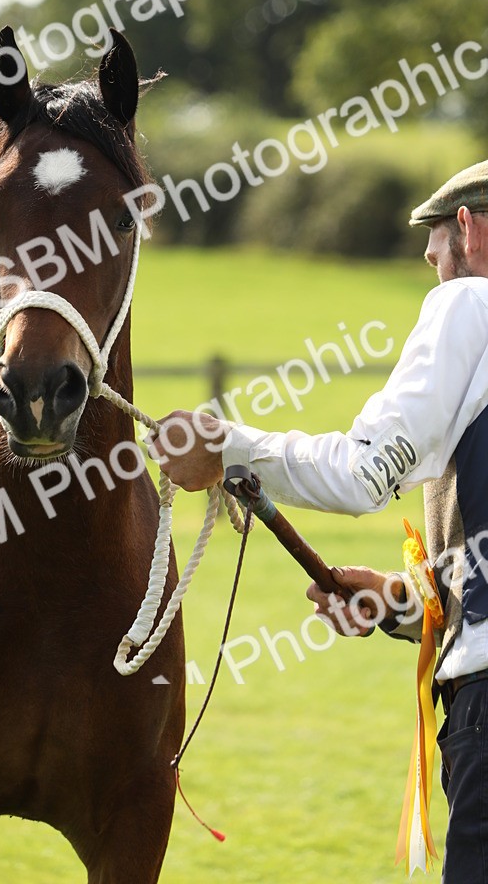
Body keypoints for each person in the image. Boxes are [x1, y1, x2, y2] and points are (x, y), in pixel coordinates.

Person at [149, 160, 488, 882]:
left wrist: (229, 448)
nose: (432, 263)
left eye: (435, 246)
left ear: (468, 227)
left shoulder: (470, 306)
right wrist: (404, 606)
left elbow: (366, 473)